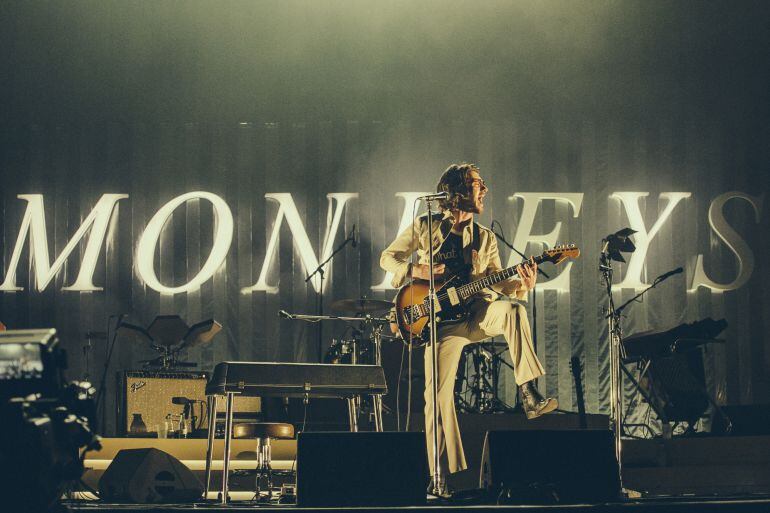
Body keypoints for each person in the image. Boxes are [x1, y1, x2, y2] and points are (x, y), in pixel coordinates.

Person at [380, 163, 557, 493]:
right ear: (455, 193)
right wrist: (417, 269)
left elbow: (496, 283)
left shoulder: (485, 238)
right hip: (439, 325)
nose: (485, 190)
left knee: (514, 311)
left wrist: (522, 284)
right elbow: (387, 258)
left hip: (474, 316)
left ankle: (528, 393)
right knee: (435, 398)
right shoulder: (425, 225)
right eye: (478, 184)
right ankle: (438, 477)